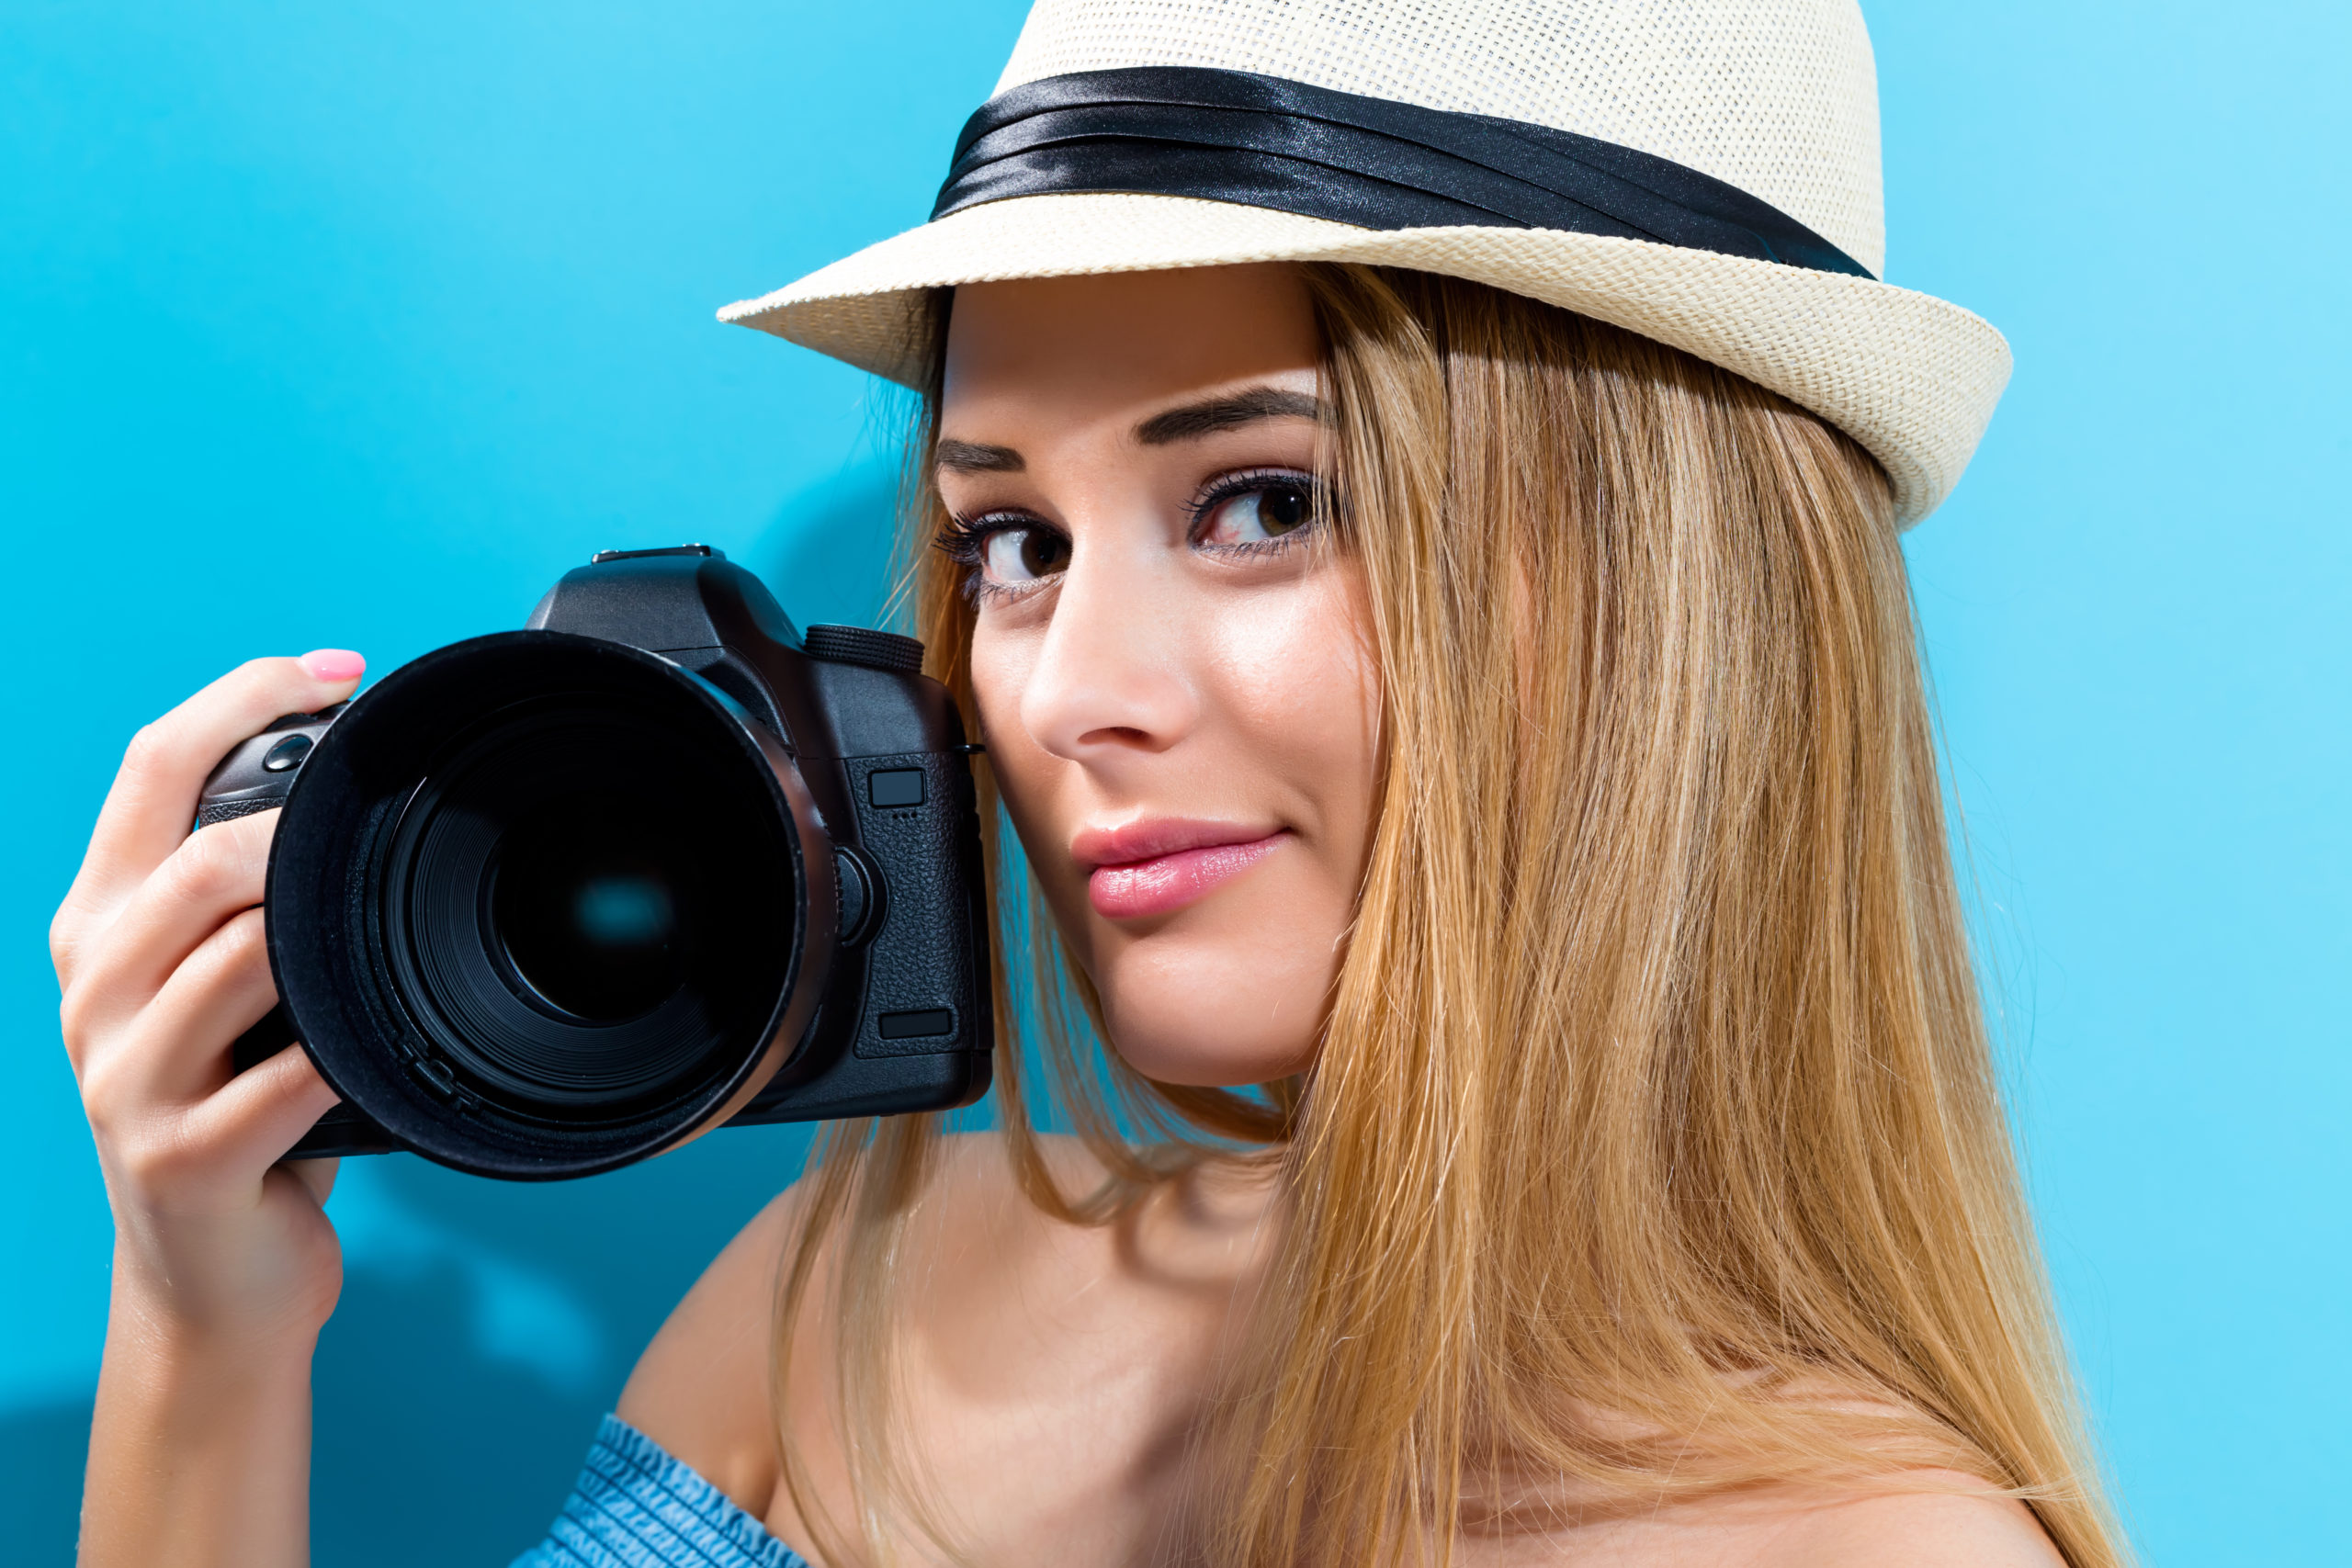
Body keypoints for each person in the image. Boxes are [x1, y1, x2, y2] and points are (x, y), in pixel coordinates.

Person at [51, 1, 2129, 1564]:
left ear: (1662, 596)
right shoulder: (851, 1282)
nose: (1065, 696)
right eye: (1011, 543)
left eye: (1257, 499)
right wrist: (205, 1322)